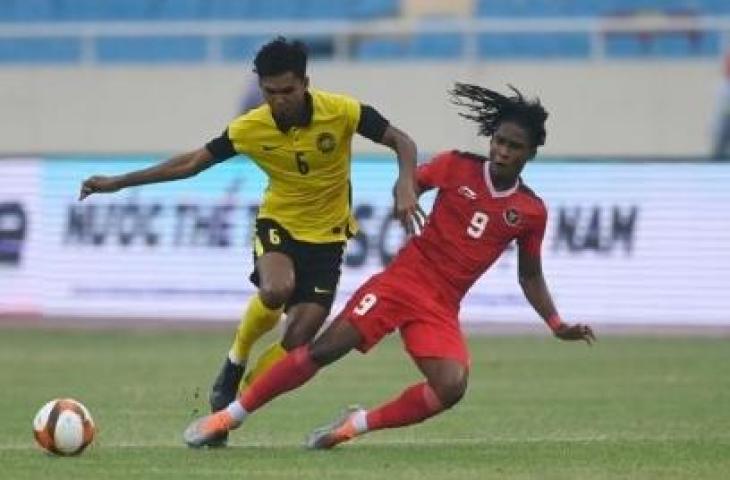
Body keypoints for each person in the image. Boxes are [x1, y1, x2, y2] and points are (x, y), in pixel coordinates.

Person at [182, 82, 596, 449]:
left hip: (441, 306)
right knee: (325, 349)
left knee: (451, 387)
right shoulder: (456, 166)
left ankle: (355, 424)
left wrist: (556, 324)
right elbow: (412, 178)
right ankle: (228, 417)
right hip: (401, 281)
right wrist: (406, 190)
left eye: (514, 147)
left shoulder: (530, 211)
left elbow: (529, 274)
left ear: (531, 153)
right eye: (499, 141)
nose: (503, 152)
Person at [78, 37, 421, 445]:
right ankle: (236, 356)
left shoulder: (342, 111)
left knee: (297, 343)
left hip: (329, 238)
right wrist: (117, 183)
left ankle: (230, 411)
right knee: (277, 289)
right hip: (280, 224)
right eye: (270, 92)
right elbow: (190, 163)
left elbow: (402, 140)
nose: (279, 101)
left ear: (305, 82)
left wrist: (406, 182)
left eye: (287, 91)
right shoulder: (250, 127)